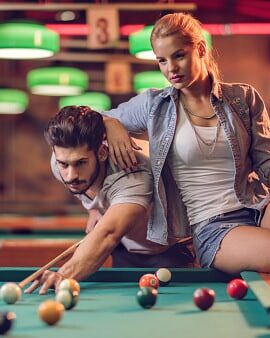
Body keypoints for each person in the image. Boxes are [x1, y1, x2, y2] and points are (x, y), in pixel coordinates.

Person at [102, 12, 270, 275]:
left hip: (258, 204)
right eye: (162, 60)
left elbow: (266, 165)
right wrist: (110, 122)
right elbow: (85, 117)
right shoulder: (153, 105)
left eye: (178, 55)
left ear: (200, 49)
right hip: (214, 226)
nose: (171, 68)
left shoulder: (242, 98)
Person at [25, 105, 194, 294]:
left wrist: (64, 275)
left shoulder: (133, 175)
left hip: (167, 254)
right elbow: (88, 189)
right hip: (124, 249)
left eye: (81, 163)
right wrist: (96, 209)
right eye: (63, 164)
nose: (71, 175)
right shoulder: (60, 165)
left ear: (102, 154)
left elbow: (108, 233)